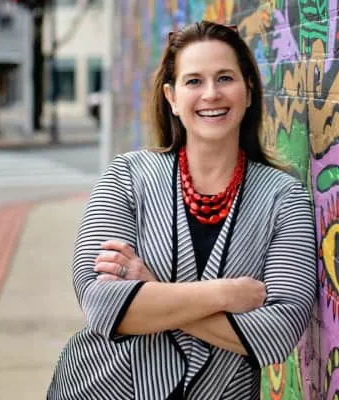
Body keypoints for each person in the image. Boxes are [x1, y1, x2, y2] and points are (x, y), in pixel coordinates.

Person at [46, 21, 317, 400]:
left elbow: (277, 332)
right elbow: (101, 304)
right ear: (172, 97)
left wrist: (151, 290)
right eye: (194, 81)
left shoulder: (283, 199)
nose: (211, 93)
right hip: (103, 388)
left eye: (225, 78)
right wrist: (225, 294)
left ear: (249, 91)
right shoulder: (126, 177)